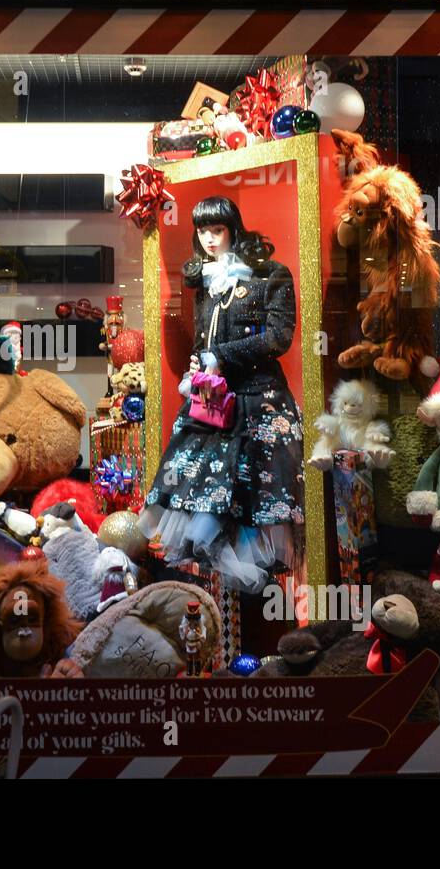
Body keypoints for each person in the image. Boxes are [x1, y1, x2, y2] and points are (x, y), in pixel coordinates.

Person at [138, 196, 305, 593]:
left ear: (233, 229)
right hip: (212, 405)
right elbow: (203, 339)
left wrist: (220, 355)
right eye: (202, 231)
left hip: (260, 400)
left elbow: (279, 338)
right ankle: (214, 622)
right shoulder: (204, 282)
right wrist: (200, 363)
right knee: (201, 495)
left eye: (217, 230)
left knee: (255, 500)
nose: (209, 239)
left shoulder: (272, 275)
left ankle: (262, 624)